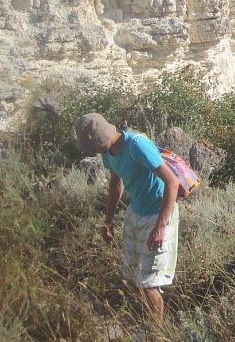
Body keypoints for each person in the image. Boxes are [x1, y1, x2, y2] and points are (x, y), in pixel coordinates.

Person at [75, 113, 180, 323]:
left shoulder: (137, 146)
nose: (91, 151)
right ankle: (145, 323)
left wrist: (160, 227)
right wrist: (108, 220)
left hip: (157, 214)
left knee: (149, 283)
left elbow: (172, 182)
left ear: (102, 138)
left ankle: (157, 332)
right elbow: (116, 183)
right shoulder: (108, 151)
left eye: (93, 146)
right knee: (133, 275)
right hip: (135, 212)